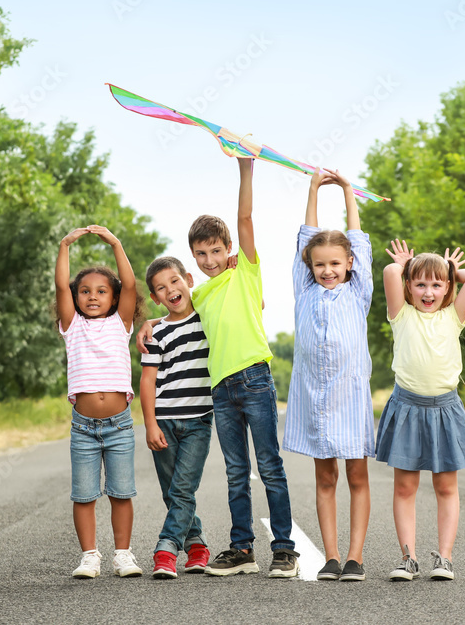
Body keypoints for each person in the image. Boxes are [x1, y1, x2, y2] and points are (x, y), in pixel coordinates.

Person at [138, 158, 299, 578]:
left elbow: (245, 218)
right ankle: (242, 548)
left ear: (228, 250)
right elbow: (176, 313)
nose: (210, 259)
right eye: (201, 254)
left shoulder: (244, 270)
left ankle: (284, 549)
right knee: (235, 473)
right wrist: (147, 322)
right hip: (220, 391)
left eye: (216, 251)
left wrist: (246, 169)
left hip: (255, 380)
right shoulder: (202, 293)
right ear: (193, 259)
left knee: (270, 467)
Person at [282, 169, 373, 582]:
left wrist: (348, 193)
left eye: (335, 263)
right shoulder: (305, 290)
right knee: (325, 475)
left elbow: (358, 238)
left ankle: (354, 557)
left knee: (356, 474)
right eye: (320, 264)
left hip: (351, 395)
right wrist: (314, 189)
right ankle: (331, 557)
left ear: (349, 263)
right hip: (315, 397)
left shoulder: (358, 291)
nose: (328, 270)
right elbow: (306, 237)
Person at [377, 239, 465, 582]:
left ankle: (445, 558)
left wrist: (450, 269)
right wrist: (406, 265)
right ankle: (408, 557)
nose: (428, 291)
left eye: (437, 284)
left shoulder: (454, 316)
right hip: (407, 407)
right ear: (408, 286)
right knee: (405, 487)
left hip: (444, 409)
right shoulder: (400, 314)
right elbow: (390, 270)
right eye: (420, 283)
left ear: (448, 287)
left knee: (446, 488)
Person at [56, 224, 146, 579]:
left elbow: (133, 284)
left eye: (102, 291)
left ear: (114, 297)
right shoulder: (72, 325)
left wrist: (115, 243)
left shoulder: (121, 323)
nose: (93, 296)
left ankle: (122, 554)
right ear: (76, 297)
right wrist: (65, 245)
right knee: (84, 495)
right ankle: (89, 556)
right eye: (85, 291)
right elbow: (61, 284)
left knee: (121, 493)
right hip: (84, 427)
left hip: (120, 425)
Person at [140, 256, 213, 579]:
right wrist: (150, 423)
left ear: (189, 279)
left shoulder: (208, 317)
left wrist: (233, 268)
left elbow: (255, 302)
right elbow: (148, 380)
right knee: (173, 491)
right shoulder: (156, 334)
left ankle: (166, 549)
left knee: (182, 488)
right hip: (164, 421)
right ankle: (196, 544)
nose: (170, 290)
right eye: (160, 288)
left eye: (174, 281)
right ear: (155, 298)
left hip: (199, 421)